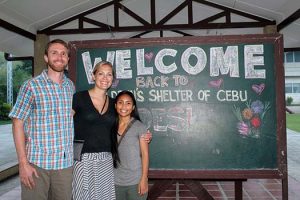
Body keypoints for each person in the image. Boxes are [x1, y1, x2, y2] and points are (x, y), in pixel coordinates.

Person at [9, 39, 74, 200]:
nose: (59, 57)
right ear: (46, 58)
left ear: (68, 59)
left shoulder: (70, 87)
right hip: (37, 164)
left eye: (63, 53)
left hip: (64, 166)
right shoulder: (31, 86)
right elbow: (17, 123)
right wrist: (23, 164)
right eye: (54, 53)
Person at [113, 90, 149, 200]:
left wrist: (144, 179)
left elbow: (145, 155)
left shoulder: (139, 127)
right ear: (115, 105)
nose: (124, 106)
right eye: (120, 102)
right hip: (114, 182)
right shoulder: (110, 125)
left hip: (135, 182)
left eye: (128, 103)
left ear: (133, 107)